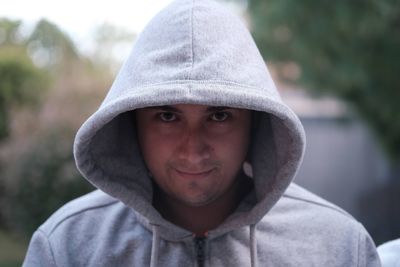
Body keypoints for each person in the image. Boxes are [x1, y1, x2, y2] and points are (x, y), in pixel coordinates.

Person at [23, 0, 381, 266]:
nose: (193, 149)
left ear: (255, 122)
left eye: (220, 115)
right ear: (131, 124)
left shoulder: (337, 246)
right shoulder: (68, 247)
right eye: (167, 116)